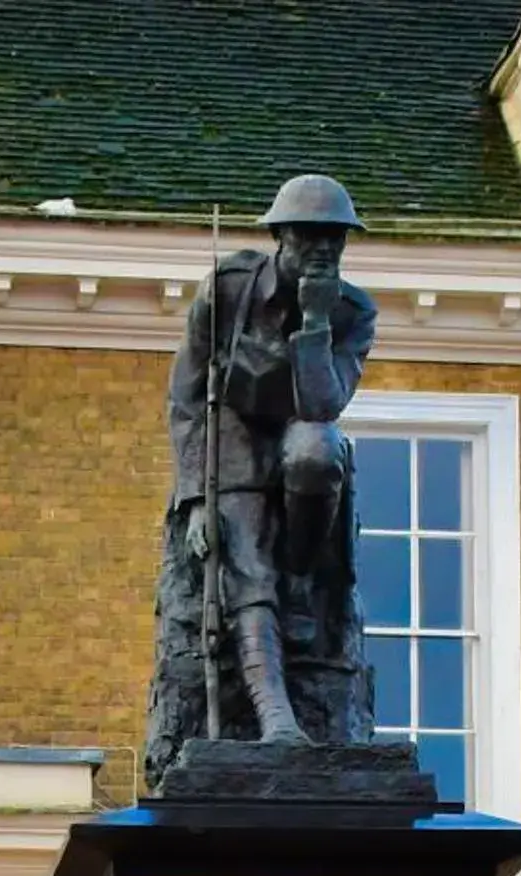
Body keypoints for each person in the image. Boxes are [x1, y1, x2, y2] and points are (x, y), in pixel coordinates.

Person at [146, 174, 380, 787]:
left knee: (316, 449)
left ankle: (300, 578)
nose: (324, 249)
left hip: (300, 439)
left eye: (336, 237)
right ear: (281, 235)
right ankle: (276, 715)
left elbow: (323, 406)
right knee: (243, 554)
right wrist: (198, 497)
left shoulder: (353, 314)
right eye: (311, 235)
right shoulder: (226, 291)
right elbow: (187, 397)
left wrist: (314, 324)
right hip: (234, 444)